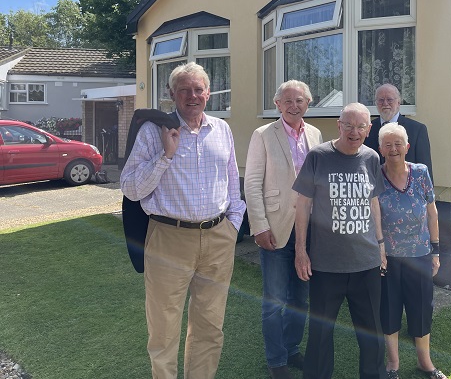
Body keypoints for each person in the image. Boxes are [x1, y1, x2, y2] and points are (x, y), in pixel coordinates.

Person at [120, 62, 246, 379]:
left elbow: (232, 180)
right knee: (163, 327)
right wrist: (166, 156)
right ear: (171, 94)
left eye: (198, 89)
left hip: (218, 237)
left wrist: (233, 221)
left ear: (209, 93)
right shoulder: (153, 132)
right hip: (168, 238)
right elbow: (131, 189)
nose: (192, 96)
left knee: (210, 325)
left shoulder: (222, 130)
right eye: (184, 90)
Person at [293, 103, 388, 379]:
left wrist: (381, 246)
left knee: (372, 334)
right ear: (339, 125)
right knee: (321, 335)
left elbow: (374, 203)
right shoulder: (318, 156)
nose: (354, 132)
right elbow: (303, 204)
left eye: (361, 127)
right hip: (326, 265)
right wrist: (301, 249)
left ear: (369, 130)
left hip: (366, 264)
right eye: (349, 125)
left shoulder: (371, 158)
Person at [244, 80, 323, 379]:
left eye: (300, 100)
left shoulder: (315, 134)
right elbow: (252, 183)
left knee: (300, 299)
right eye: (287, 100)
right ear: (277, 104)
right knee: (274, 300)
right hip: (275, 228)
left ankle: (291, 350)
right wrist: (259, 226)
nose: (294, 105)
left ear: (308, 103)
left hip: (310, 230)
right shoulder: (263, 134)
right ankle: (276, 360)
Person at [377, 123, 444, 379]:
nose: (393, 149)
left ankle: (424, 362)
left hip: (419, 254)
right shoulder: (376, 175)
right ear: (381, 148)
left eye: (398, 144)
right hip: (388, 258)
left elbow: (432, 212)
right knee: (390, 309)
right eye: (388, 144)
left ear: (407, 147)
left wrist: (436, 251)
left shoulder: (420, 172)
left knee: (421, 308)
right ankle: (393, 364)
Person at [364, 83, 433, 180]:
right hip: (375, 191)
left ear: (398, 102)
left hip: (407, 190)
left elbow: (425, 168)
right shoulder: (367, 130)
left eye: (389, 99)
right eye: (381, 100)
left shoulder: (417, 130)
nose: (385, 103)